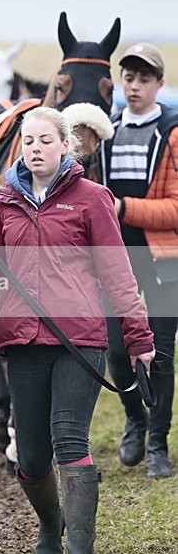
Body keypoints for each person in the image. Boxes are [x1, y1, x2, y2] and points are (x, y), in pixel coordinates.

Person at [0, 106, 155, 554]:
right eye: (29, 142)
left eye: (45, 140)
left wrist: (138, 337)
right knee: (30, 458)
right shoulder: (6, 202)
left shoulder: (92, 198)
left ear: (66, 145)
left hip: (79, 338)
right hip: (22, 340)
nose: (36, 149)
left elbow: (118, 272)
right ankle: (51, 525)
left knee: (69, 441)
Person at [99, 43, 178, 479]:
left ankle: (158, 445)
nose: (134, 86)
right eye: (128, 78)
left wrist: (123, 208)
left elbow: (176, 208)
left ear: (159, 84)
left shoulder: (172, 133)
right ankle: (135, 418)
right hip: (115, 258)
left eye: (144, 79)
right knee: (116, 350)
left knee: (160, 352)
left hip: (164, 257)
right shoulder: (105, 131)